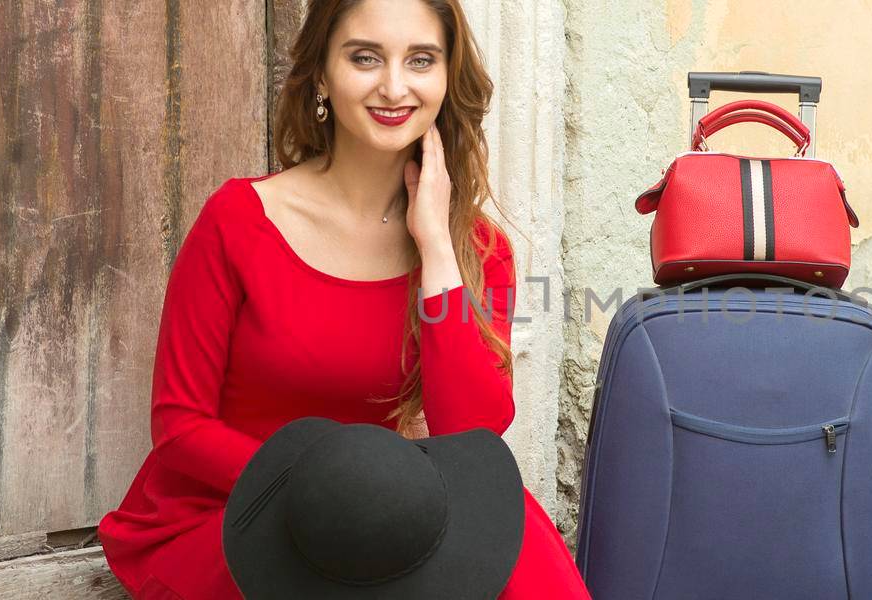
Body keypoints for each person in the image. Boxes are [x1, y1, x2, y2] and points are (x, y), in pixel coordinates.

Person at [96, 0, 590, 597]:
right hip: (241, 509)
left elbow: (473, 432)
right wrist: (325, 488)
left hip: (392, 517)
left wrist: (435, 246)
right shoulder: (239, 221)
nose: (394, 86)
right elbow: (178, 425)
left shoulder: (476, 249)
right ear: (323, 74)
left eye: (421, 60)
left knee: (520, 555)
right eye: (365, 57)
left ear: (446, 76)